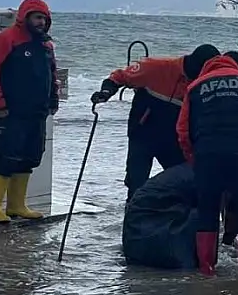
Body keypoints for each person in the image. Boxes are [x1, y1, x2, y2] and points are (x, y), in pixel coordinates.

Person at [176, 55, 238, 276]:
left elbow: (183, 130)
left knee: (207, 212)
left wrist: (193, 159)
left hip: (208, 155)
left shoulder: (194, 87)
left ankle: (206, 270)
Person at [91, 44, 221, 201]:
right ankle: (133, 220)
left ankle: (176, 220)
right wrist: (106, 93)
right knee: (136, 184)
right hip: (142, 134)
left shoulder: (206, 82)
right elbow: (119, 76)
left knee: (184, 184)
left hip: (174, 140)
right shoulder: (156, 67)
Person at [0, 0, 60, 223]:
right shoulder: (6, 39)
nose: (41, 23)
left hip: (37, 112)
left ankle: (16, 205)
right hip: (11, 111)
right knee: (6, 157)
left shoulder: (46, 45)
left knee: (29, 157)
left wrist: (53, 101)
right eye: (37, 18)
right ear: (25, 17)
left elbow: (52, 75)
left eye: (45, 19)